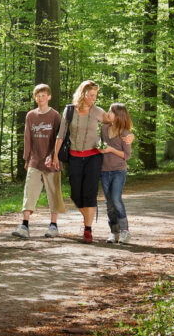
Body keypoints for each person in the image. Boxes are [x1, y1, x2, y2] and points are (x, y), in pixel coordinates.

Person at [52, 80, 105, 243]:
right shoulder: (70, 111)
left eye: (95, 95)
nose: (93, 99)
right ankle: (87, 217)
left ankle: (88, 229)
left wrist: (125, 137)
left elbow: (115, 125)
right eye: (91, 95)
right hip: (74, 157)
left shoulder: (98, 112)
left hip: (93, 157)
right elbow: (60, 135)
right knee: (76, 195)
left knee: (89, 194)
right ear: (82, 94)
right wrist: (55, 156)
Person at [12, 84, 65, 239]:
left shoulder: (55, 116)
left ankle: (53, 226)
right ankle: (24, 225)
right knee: (29, 191)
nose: (40, 99)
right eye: (38, 96)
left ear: (49, 97)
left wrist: (54, 156)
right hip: (35, 161)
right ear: (35, 98)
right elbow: (27, 138)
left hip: (52, 161)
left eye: (43, 96)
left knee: (54, 193)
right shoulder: (30, 116)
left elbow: (59, 139)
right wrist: (27, 158)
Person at [99, 103, 133, 244]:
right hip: (104, 171)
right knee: (109, 203)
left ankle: (125, 231)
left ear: (118, 116)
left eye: (111, 112)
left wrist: (110, 150)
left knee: (116, 198)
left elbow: (127, 155)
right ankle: (114, 232)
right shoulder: (104, 128)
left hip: (119, 170)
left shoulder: (124, 133)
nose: (108, 113)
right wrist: (100, 148)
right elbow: (101, 145)